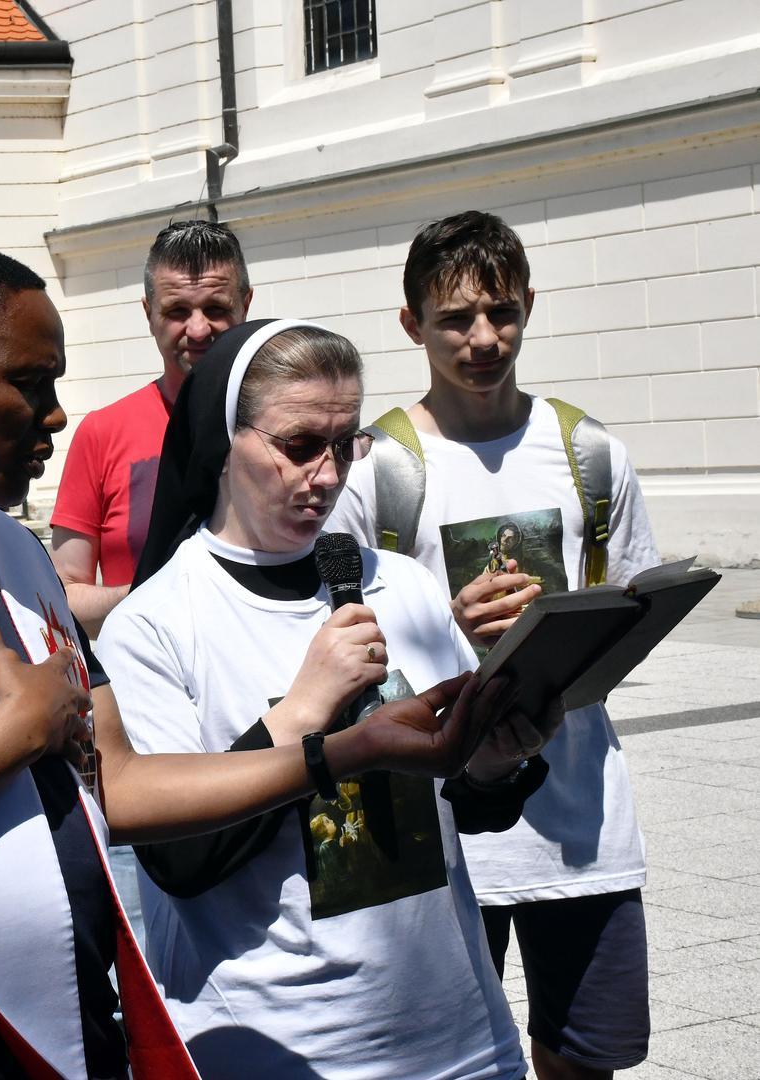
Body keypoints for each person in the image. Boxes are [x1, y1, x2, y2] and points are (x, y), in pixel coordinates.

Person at [0, 241, 524, 1079]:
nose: (56, 415)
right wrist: (13, 734)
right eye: (27, 382)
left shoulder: (6, 547)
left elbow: (117, 781)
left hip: (69, 1025)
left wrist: (349, 749)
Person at [98, 319, 561, 1078]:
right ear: (224, 438)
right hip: (276, 1047)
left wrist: (495, 760)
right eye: (298, 444)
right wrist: (301, 710)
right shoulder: (152, 624)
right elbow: (177, 861)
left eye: (344, 444)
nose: (325, 474)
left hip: (458, 1037)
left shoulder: (400, 584)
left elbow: (464, 812)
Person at [326, 211, 658, 1079]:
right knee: (438, 1063)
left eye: (501, 312)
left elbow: (630, 623)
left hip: (580, 828)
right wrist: (446, 624)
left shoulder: (588, 452)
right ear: (411, 325)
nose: (483, 338)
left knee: (586, 1060)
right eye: (455, 319)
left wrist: (565, 625)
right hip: (440, 837)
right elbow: (343, 647)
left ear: (528, 307)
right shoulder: (379, 470)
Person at [49, 220, 253, 636]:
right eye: (177, 311)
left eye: (215, 308)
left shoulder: (285, 426)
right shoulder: (103, 432)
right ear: (148, 313)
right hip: (144, 679)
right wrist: (152, 595)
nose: (198, 330)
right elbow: (63, 595)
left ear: (245, 305)